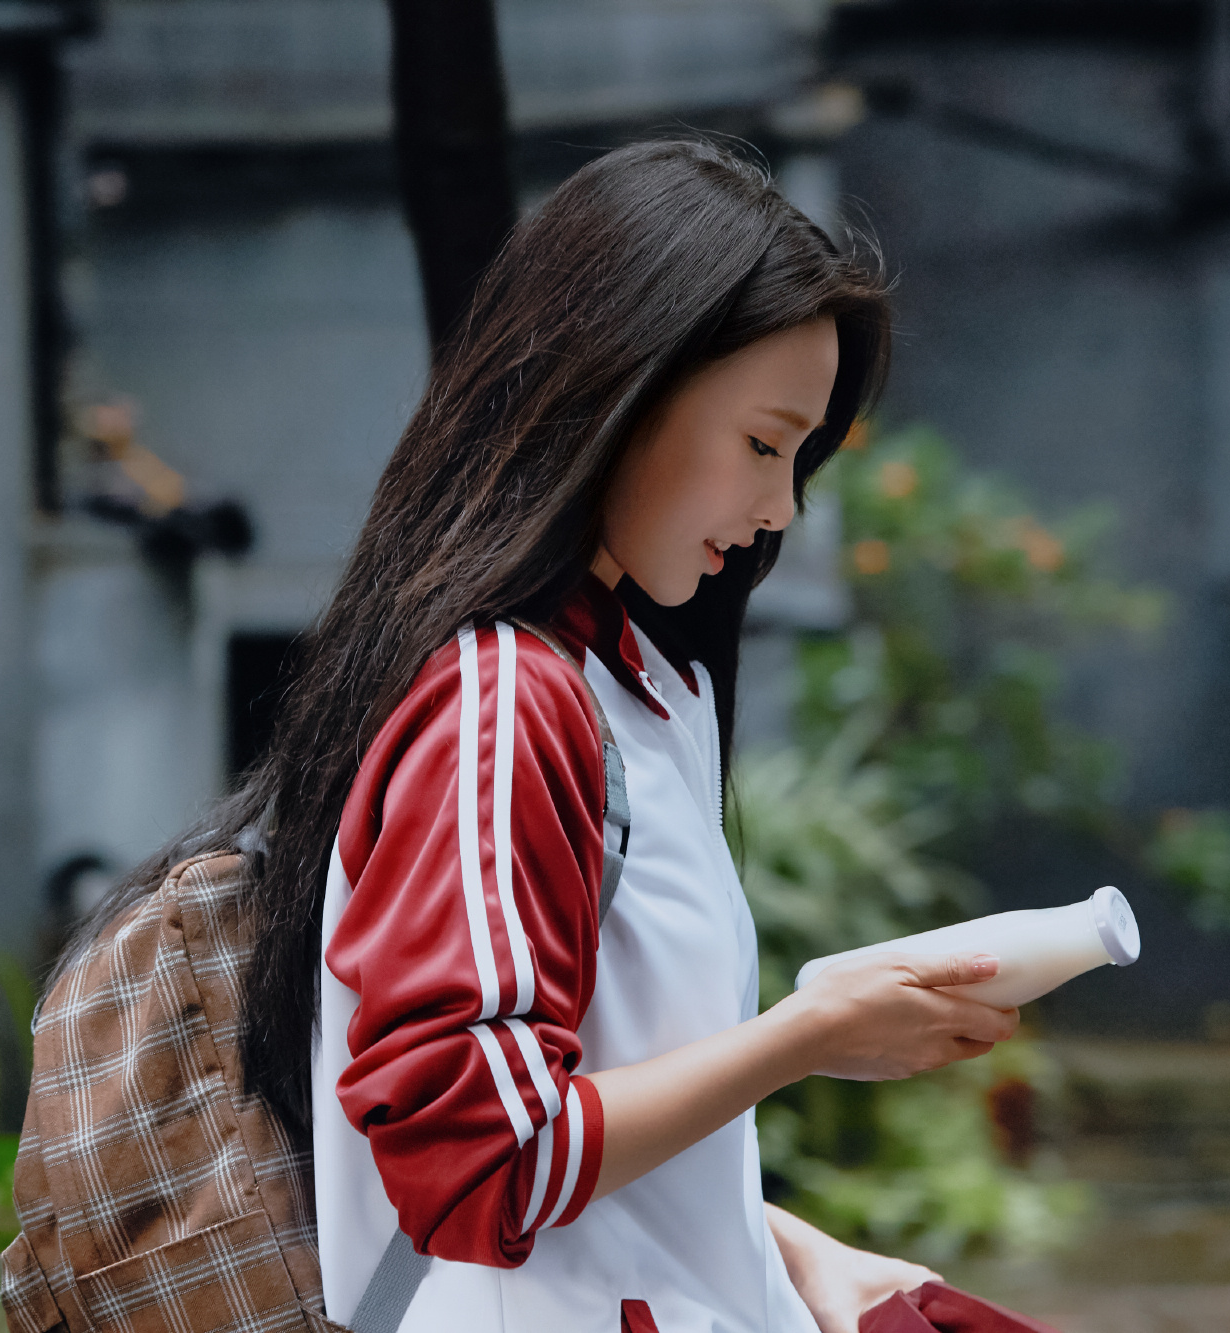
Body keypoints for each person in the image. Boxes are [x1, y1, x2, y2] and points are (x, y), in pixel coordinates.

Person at [105, 139, 1020, 1333]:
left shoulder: (636, 691)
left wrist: (800, 1254)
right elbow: (482, 1163)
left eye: (799, 458)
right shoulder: (504, 706)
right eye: (761, 443)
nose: (778, 509)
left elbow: (585, 1116)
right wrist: (803, 1037)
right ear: (620, 392)